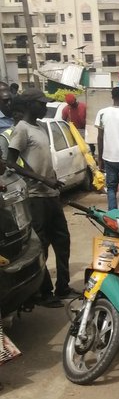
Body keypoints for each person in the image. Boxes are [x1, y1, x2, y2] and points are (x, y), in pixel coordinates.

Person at [6, 90, 74, 306]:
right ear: (28, 105)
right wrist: (41, 179)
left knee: (62, 241)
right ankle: (45, 293)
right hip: (36, 196)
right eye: (40, 103)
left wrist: (50, 182)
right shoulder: (22, 129)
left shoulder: (40, 127)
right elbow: (10, 162)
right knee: (41, 244)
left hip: (52, 195)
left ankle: (63, 287)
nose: (45, 107)